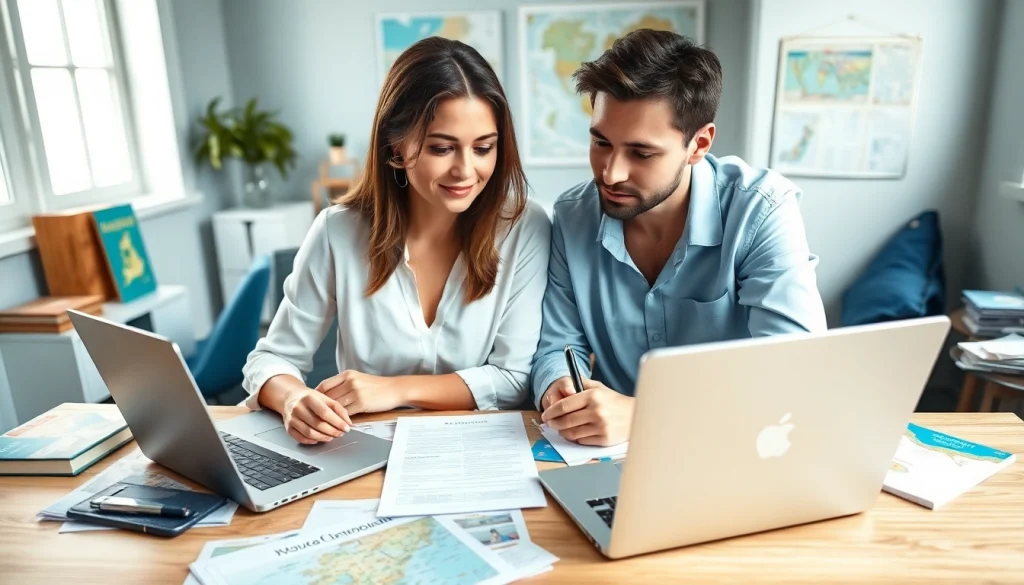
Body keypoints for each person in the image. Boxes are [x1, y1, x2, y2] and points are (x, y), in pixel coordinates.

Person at [242, 37, 550, 445]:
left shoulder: (524, 227)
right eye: (442, 148)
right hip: (364, 451)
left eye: (483, 148)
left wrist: (393, 389)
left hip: (481, 449)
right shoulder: (337, 231)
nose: (465, 170)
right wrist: (293, 398)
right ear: (396, 145)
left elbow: (511, 380)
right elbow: (271, 359)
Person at [532, 30, 826, 447]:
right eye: (601, 142)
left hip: (740, 443)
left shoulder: (761, 210)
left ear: (698, 145)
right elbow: (557, 345)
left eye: (641, 153)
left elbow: (792, 372)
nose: (611, 173)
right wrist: (559, 386)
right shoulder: (572, 215)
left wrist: (644, 416)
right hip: (609, 452)